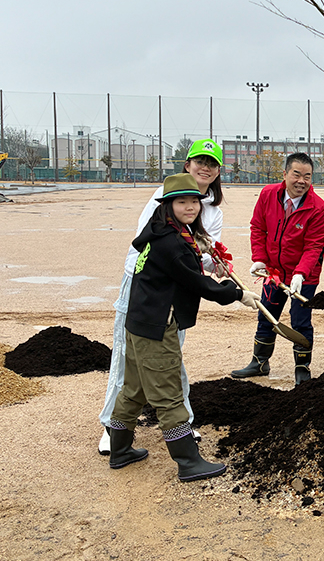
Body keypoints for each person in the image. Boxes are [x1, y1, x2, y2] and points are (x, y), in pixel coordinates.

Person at [108, 173, 258, 481]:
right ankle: (188, 462)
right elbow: (196, 281)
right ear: (168, 205)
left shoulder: (161, 231)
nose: (190, 207)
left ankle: (119, 450)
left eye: (194, 202)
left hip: (138, 320)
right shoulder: (171, 242)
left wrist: (205, 250)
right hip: (156, 326)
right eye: (182, 202)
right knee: (168, 393)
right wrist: (238, 294)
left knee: (134, 390)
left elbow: (187, 265)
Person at [98, 138, 227, 456]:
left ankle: (180, 423)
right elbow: (154, 245)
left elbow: (201, 261)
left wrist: (217, 263)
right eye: (199, 161)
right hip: (144, 285)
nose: (205, 167)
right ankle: (110, 426)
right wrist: (223, 287)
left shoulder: (212, 211)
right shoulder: (164, 195)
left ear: (218, 170)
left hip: (179, 291)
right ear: (187, 164)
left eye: (211, 163)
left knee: (170, 357)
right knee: (128, 357)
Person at [231, 153, 324, 385]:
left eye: (307, 176)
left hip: (304, 276)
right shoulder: (268, 194)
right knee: (266, 313)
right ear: (284, 174)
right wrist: (260, 260)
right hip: (273, 273)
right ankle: (260, 362)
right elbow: (257, 227)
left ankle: (302, 367)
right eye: (296, 174)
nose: (301, 181)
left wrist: (301, 273)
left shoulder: (318, 208)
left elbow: (314, 245)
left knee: (300, 321)